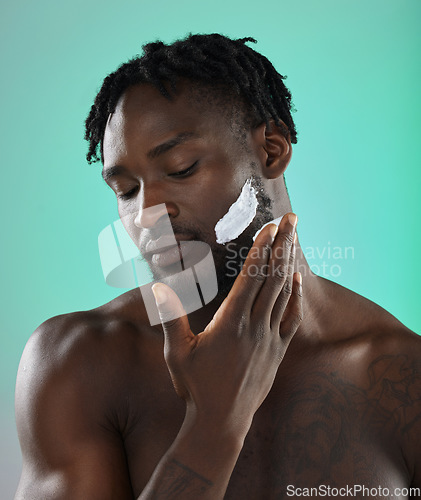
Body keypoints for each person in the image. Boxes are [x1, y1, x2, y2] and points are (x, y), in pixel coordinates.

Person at [15, 33, 421, 499]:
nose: (147, 214)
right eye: (126, 191)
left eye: (182, 168)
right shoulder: (80, 364)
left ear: (271, 149)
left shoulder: (404, 378)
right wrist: (214, 424)